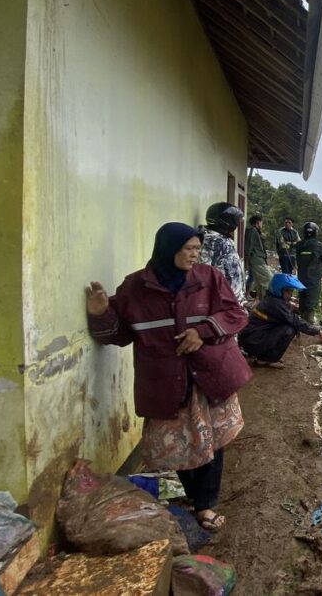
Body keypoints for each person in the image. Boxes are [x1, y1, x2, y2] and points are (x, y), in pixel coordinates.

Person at [86, 223, 252, 532]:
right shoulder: (135, 288)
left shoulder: (209, 279)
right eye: (188, 249)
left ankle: (205, 506)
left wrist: (201, 332)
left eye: (196, 249)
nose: (194, 255)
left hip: (206, 376)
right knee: (180, 446)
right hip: (165, 380)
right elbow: (120, 335)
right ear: (167, 249)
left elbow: (236, 315)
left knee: (211, 442)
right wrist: (101, 314)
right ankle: (195, 496)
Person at [239, 273, 322, 367]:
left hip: (251, 338)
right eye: (288, 291)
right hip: (252, 341)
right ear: (279, 290)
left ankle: (263, 356)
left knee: (288, 325)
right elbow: (296, 321)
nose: (290, 295)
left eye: (291, 292)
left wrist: (290, 307)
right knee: (289, 329)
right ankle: (266, 359)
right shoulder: (275, 304)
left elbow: (284, 312)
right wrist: (318, 331)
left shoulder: (272, 298)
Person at [199, 202, 246, 306]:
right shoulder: (219, 243)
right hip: (225, 303)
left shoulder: (205, 237)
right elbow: (232, 277)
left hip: (216, 300)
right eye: (236, 221)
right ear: (227, 222)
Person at [295, 221, 322, 324]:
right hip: (313, 278)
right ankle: (308, 325)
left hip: (301, 277)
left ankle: (300, 322)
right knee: (311, 303)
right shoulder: (319, 245)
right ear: (315, 232)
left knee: (302, 299)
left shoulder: (299, 245)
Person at [243, 215, 272, 299]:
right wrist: (246, 261)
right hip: (257, 259)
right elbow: (249, 247)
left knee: (259, 283)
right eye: (261, 223)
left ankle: (262, 301)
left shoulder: (256, 232)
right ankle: (268, 300)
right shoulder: (252, 231)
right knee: (269, 279)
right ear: (258, 223)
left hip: (258, 259)